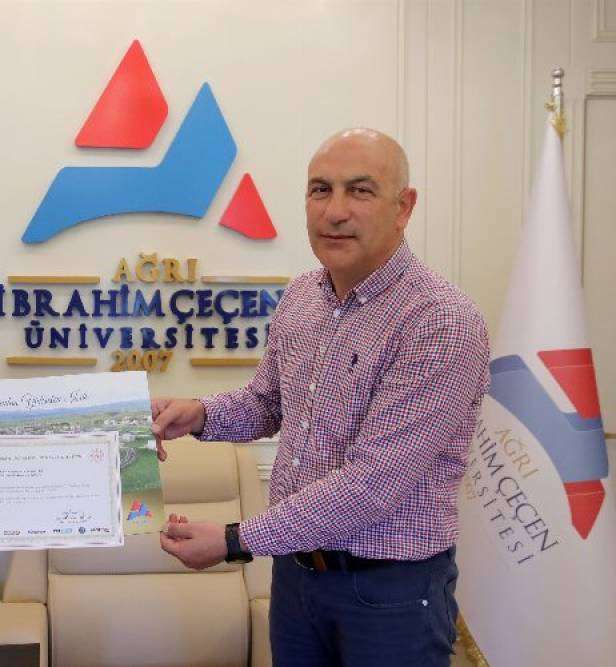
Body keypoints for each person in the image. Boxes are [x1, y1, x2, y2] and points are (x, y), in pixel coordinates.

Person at [152, 129, 490, 666]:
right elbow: (267, 403)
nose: (335, 212)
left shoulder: (440, 322)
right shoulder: (301, 297)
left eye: (360, 190)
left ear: (403, 207)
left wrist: (236, 540)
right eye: (320, 190)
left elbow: (372, 485)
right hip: (297, 580)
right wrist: (198, 415)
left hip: (389, 596)